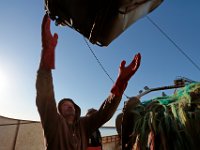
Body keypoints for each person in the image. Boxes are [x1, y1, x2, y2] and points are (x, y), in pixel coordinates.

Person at [36, 14, 141, 150]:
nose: (70, 106)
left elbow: (104, 113)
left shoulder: (84, 125)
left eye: (71, 105)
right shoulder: (53, 124)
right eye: (65, 105)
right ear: (59, 111)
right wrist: (47, 53)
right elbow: (44, 97)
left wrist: (120, 83)